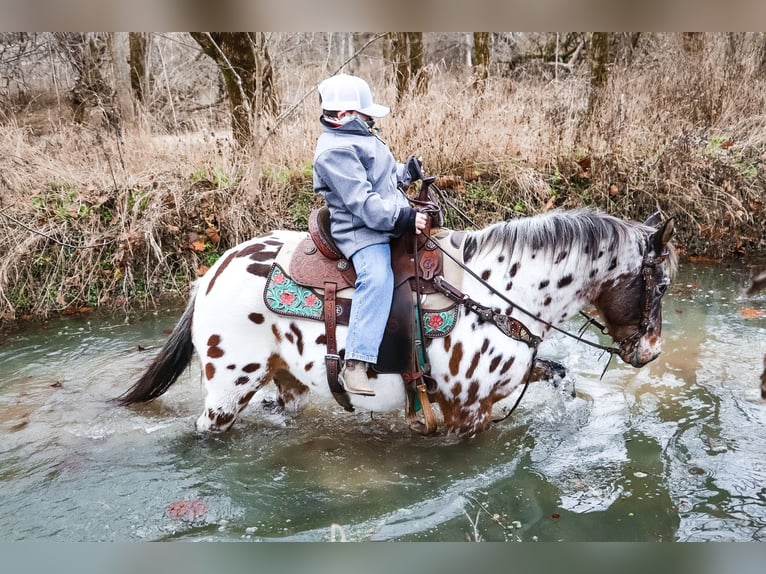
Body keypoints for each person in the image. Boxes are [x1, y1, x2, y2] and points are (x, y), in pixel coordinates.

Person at [313, 73, 427, 396]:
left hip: (384, 219)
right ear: (346, 114)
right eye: (366, 115)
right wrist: (402, 217)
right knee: (378, 277)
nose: (371, 120)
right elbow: (362, 203)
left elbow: (383, 181)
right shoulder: (334, 151)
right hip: (362, 232)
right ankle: (356, 363)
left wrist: (406, 172)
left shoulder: (363, 137)